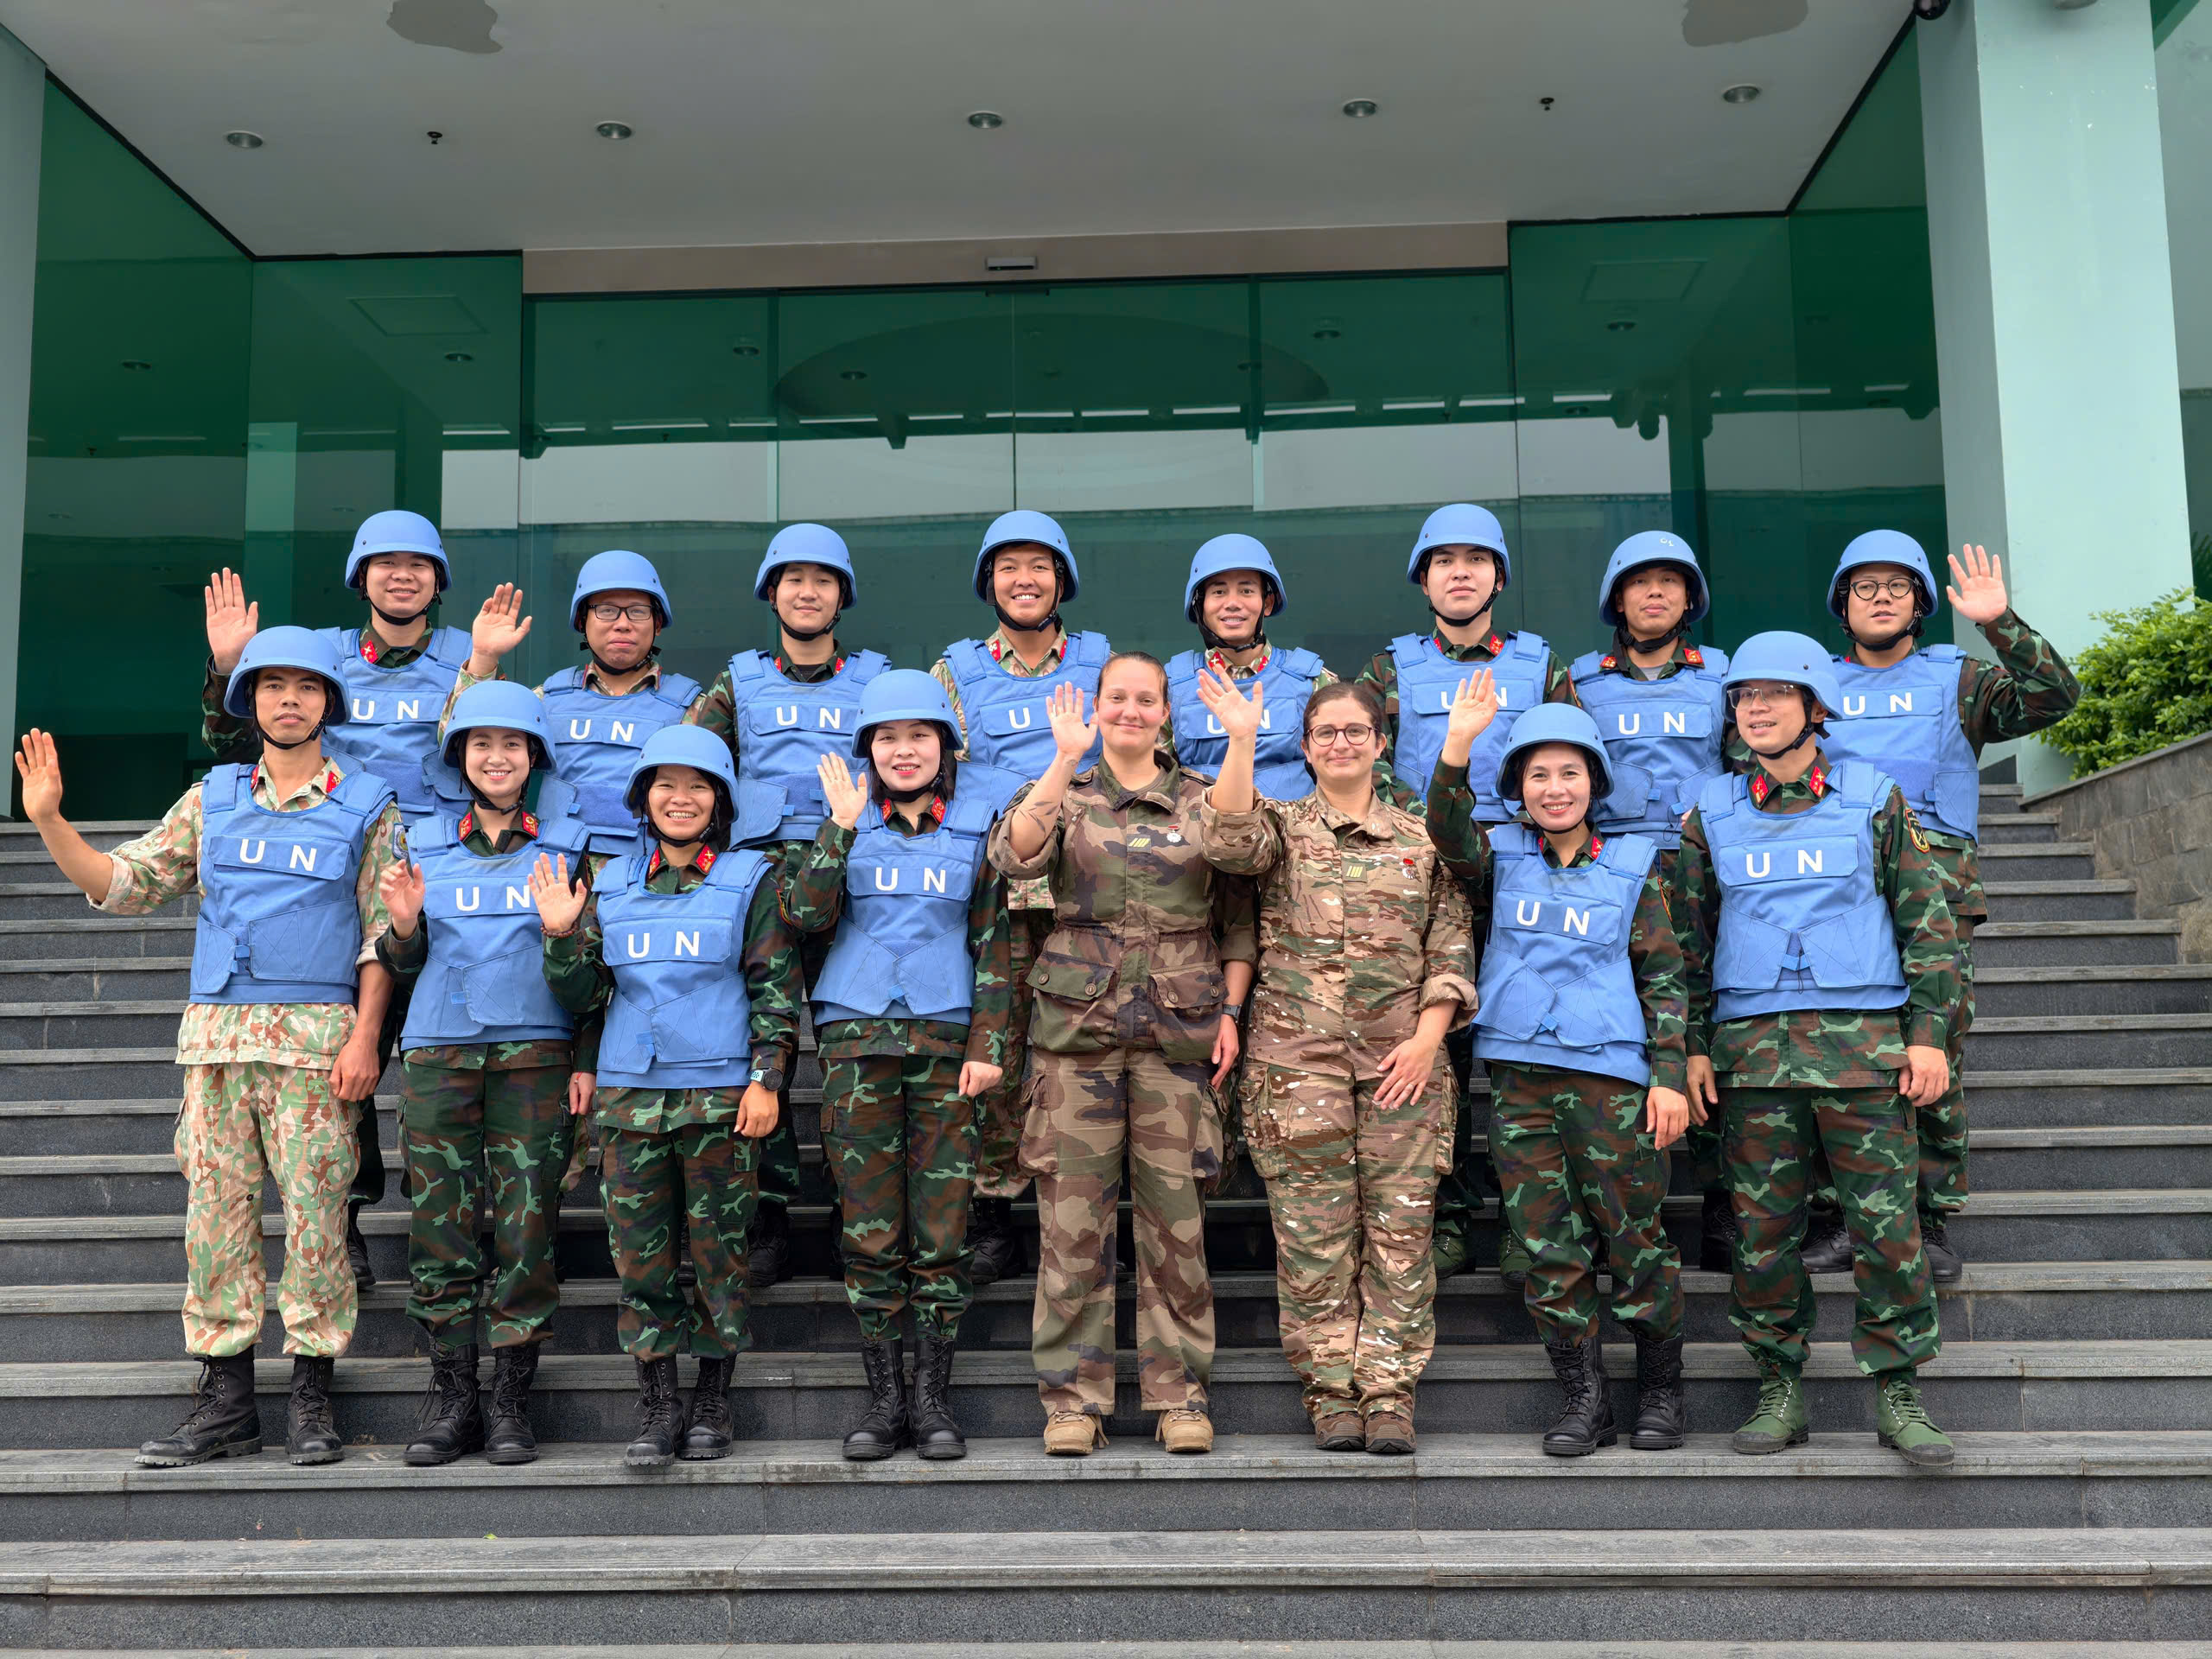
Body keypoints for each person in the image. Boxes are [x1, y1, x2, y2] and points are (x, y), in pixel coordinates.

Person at [22, 627, 404, 1466]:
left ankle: (311, 1397)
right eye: (272, 686)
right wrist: (49, 821)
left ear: (329, 703)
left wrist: (368, 1038)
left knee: (317, 1221)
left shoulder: (368, 805)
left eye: (306, 686)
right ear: (249, 702)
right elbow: (125, 883)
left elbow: (383, 935)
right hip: (218, 1049)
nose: (289, 700)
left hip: (316, 1048)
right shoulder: (213, 798)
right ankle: (226, 1403)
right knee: (216, 1224)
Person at [1676, 630, 1959, 1467]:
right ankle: (1779, 1386)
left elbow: (1927, 925)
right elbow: (1686, 945)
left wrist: (1928, 1036)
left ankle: (1899, 1392)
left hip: (1865, 1054)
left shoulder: (1874, 799)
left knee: (1887, 1229)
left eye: (1773, 694)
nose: (1754, 708)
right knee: (1762, 1235)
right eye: (1742, 696)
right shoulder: (1710, 812)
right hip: (1753, 1061)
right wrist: (1691, 1047)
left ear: (1814, 707)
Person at [1197, 676, 1475, 1457]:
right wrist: (1241, 738)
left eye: (1357, 731)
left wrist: (1428, 1039)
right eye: (1326, 732)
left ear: (1381, 743)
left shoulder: (1423, 838)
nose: (1342, 743)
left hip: (1402, 1068)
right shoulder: (1280, 830)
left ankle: (1388, 1395)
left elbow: (1451, 945)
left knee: (1400, 1238)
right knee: (1314, 1242)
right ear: (1307, 747)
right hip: (1297, 1070)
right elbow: (1228, 843)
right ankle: (1330, 1395)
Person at [200, 511, 474, 1287]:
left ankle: (452, 1229)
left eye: (418, 564)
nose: (402, 575)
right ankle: (346, 1217)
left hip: (447, 880)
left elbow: (495, 753)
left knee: (441, 1057)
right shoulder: (317, 657)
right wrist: (229, 668)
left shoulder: (469, 656)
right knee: (346, 1062)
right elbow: (237, 747)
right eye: (386, 563)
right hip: (339, 878)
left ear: (438, 580)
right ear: (361, 577)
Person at [989, 652, 1249, 1459]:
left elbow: (1241, 882)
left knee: (1176, 1229)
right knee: (1072, 1231)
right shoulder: (1063, 792)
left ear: (1166, 712)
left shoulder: (1204, 795)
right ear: (1095, 707)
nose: (1130, 710)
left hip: (1180, 1033)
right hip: (1077, 1037)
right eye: (1116, 698)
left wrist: (1232, 1011)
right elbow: (1015, 855)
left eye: (1145, 699)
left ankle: (1180, 1398)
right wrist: (1062, 758)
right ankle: (1073, 1403)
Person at [1426, 692, 1692, 1456]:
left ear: (1594, 782)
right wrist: (1456, 747)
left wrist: (1669, 1075)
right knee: (1547, 1243)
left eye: (1569, 773)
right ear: (1518, 786)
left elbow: (1665, 977)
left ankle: (1662, 1392)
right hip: (1521, 1081)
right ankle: (1585, 1400)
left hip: (1613, 1081)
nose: (1554, 789)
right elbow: (1444, 829)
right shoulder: (1498, 855)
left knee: (1635, 1237)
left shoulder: (1636, 864)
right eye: (1537, 775)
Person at [1814, 535, 2081, 1284]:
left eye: (1897, 586)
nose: (1881, 599)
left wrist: (2000, 624)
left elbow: (2055, 698)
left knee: (1932, 1055)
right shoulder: (1813, 685)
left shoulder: (1960, 679)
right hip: (1836, 896)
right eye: (1864, 587)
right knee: (1840, 1058)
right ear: (1842, 603)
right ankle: (1844, 1218)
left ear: (1921, 603)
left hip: (1938, 896)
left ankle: (1926, 1223)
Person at [532, 723, 800, 1466]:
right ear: (643, 798)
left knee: (719, 1256)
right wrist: (561, 937)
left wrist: (767, 1080)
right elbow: (586, 997)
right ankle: (657, 1406)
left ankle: (712, 1399)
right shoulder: (609, 882)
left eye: (698, 786)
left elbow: (775, 989)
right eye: (665, 785)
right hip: (630, 1105)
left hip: (720, 1100)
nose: (681, 799)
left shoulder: (752, 880)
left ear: (720, 801)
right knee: (641, 1265)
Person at [782, 671, 1020, 1460]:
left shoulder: (976, 833)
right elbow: (804, 915)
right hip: (857, 1049)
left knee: (943, 1230)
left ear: (946, 748)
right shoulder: (842, 823)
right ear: (868, 751)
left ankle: (932, 1400)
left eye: (920, 736)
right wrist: (839, 829)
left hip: (948, 1049)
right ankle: (885, 1401)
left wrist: (989, 1046)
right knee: (871, 1231)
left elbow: (993, 946)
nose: (904, 750)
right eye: (888, 738)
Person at [373, 681, 607, 1466]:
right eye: (482, 745)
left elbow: (592, 986)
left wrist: (563, 939)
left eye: (512, 745)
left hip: (534, 1064)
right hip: (439, 1061)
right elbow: (401, 968)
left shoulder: (569, 849)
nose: (497, 758)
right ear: (460, 758)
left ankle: (510, 1400)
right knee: (439, 1229)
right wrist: (404, 928)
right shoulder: (421, 845)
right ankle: (452, 1400)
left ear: (534, 757)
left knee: (526, 1229)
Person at [1355, 503, 1578, 1291]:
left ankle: (1528, 1225)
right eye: (1444, 561)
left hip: (1521, 878)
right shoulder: (1388, 669)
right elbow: (1365, 765)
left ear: (1498, 578)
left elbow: (1569, 760)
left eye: (1476, 560)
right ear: (1423, 580)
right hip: (1422, 882)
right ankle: (1445, 1222)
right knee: (1436, 1058)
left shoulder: (1541, 665)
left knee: (1523, 1053)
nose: (1460, 573)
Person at [686, 523, 891, 1287]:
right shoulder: (735, 684)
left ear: (843, 595)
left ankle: (853, 1208)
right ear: (771, 593)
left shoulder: (878, 682)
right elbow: (690, 772)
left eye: (823, 580)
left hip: (856, 880)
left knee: (854, 1046)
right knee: (759, 1044)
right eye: (793, 579)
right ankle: (765, 1213)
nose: (808, 592)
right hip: (761, 883)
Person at [932, 510, 1113, 1287]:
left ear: (1062, 580)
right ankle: (993, 1210)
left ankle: (1087, 1210)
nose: (1024, 580)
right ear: (989, 583)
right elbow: (930, 769)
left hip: (1090, 888)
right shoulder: (954, 671)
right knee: (996, 1040)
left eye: (1040, 565)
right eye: (1008, 567)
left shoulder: (1104, 663)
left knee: (1089, 1044)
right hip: (995, 888)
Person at [1567, 531, 1738, 1275]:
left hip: (1705, 878)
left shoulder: (1726, 677)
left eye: (1671, 580)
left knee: (1709, 1035)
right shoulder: (1578, 682)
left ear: (1690, 597)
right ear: (1618, 598)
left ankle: (1725, 1207)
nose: (1656, 592)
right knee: (1619, 1033)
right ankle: (1621, 1214)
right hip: (1614, 882)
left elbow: (1748, 772)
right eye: (1641, 581)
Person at [1164, 533, 1331, 800]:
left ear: (1267, 603)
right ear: (1200, 605)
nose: (1232, 603)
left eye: (1246, 591)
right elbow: (1153, 781)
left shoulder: (1312, 681)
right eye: (1219, 592)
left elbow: (1344, 773)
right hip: (1202, 825)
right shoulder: (1171, 686)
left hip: (1296, 826)